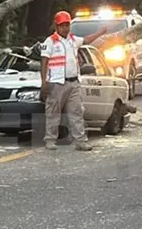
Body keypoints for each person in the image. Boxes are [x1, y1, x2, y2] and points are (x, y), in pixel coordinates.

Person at [39, 11, 109, 152]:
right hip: (56, 83)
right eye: (62, 25)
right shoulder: (50, 41)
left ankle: (80, 141)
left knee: (76, 112)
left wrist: (100, 32)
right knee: (53, 112)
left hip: (73, 82)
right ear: (56, 26)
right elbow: (44, 62)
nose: (65, 28)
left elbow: (87, 40)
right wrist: (44, 82)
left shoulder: (72, 40)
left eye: (67, 25)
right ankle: (50, 140)